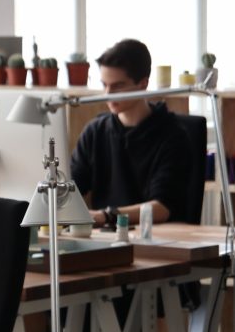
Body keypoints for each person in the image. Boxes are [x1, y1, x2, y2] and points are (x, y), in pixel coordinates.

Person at [70, 38, 191, 229]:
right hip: (104, 239)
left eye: (117, 85)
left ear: (143, 84)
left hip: (158, 240)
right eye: (104, 85)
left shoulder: (174, 136)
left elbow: (162, 207)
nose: (108, 94)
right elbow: (70, 189)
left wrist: (106, 216)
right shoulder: (94, 132)